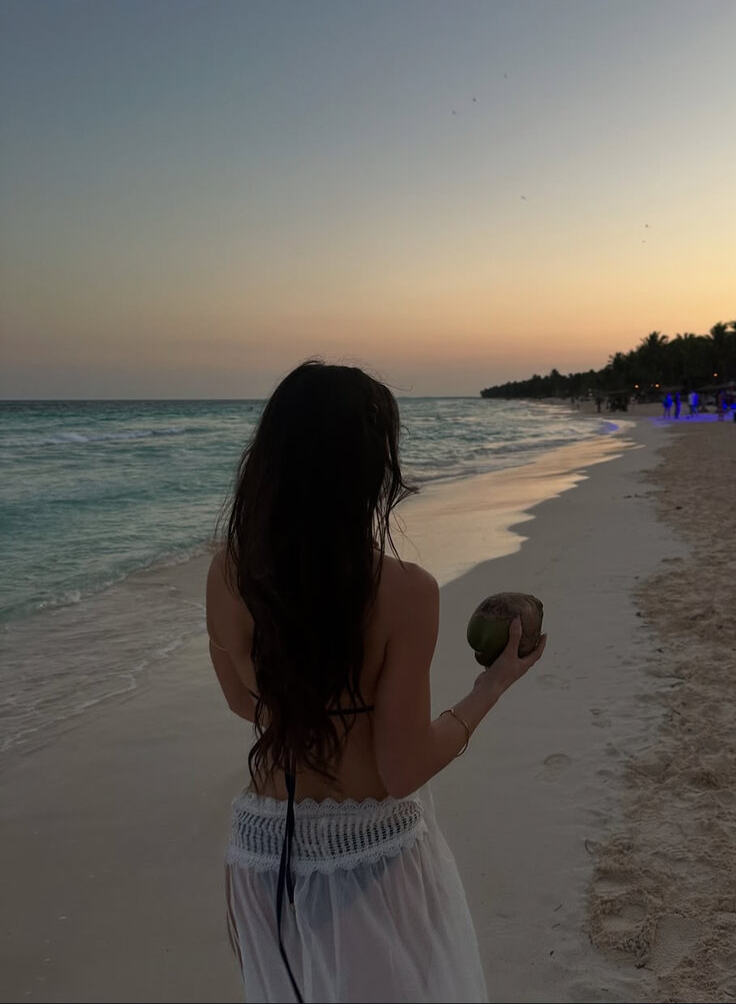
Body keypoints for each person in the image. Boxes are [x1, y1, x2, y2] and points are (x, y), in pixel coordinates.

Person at [207, 360, 546, 1003]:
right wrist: (491, 688)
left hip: (260, 852)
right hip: (364, 856)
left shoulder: (227, 572)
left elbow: (241, 702)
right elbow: (402, 769)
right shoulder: (405, 591)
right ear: (370, 469)